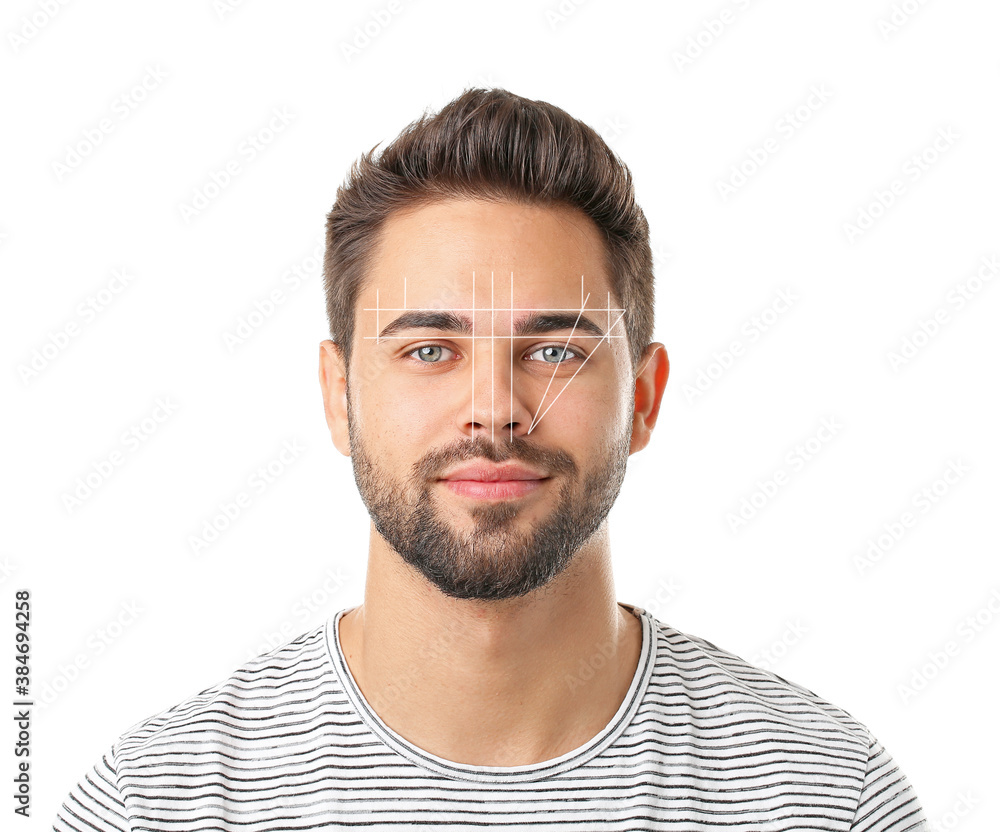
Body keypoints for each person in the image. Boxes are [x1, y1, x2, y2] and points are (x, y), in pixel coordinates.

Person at [54, 88, 928, 831]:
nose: (495, 412)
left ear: (646, 399)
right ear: (338, 395)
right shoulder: (155, 803)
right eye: (430, 348)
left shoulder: (826, 798)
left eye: (555, 351)